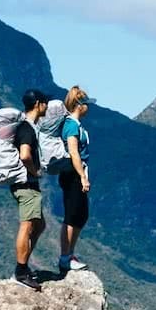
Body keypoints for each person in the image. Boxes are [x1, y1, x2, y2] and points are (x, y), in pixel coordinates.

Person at [11, 89, 48, 290]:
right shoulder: (26, 128)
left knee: (39, 225)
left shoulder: (27, 127)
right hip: (26, 184)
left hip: (26, 184)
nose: (47, 106)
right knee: (27, 225)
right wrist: (35, 171)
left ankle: (23, 266)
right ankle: (21, 272)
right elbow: (25, 154)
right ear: (38, 104)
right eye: (45, 102)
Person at [58, 85, 95, 274]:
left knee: (81, 214)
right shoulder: (71, 125)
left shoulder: (77, 125)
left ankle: (70, 254)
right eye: (86, 104)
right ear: (80, 105)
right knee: (72, 215)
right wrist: (82, 177)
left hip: (77, 174)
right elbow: (73, 152)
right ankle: (65, 257)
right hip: (72, 175)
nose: (88, 107)